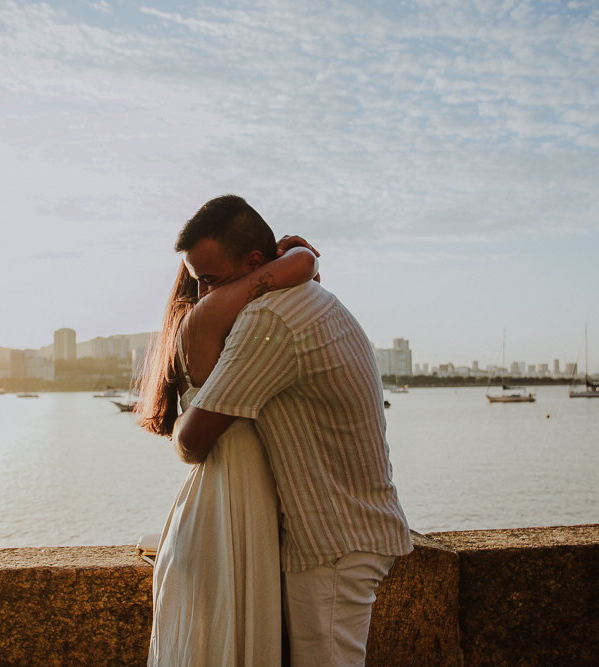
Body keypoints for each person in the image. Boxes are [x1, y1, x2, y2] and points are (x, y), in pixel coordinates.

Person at [172, 195, 413, 667]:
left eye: (212, 282)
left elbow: (193, 441)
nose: (205, 297)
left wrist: (199, 339)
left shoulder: (269, 319)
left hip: (334, 545)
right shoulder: (305, 297)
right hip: (345, 533)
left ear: (255, 264)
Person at [138, 208, 321, 666]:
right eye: (199, 279)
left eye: (210, 279)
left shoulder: (245, 319)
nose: (203, 291)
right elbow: (302, 267)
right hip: (230, 505)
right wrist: (298, 259)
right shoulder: (206, 319)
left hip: (237, 501)